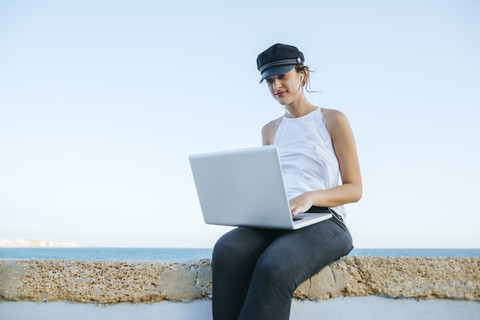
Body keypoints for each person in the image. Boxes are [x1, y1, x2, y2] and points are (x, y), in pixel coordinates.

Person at [211, 43, 362, 320]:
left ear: (302, 74)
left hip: (325, 221)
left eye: (283, 76)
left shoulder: (332, 120)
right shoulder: (270, 130)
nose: (276, 85)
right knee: (227, 249)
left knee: (274, 265)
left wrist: (311, 197)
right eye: (269, 80)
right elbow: (268, 183)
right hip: (280, 217)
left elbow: (354, 189)